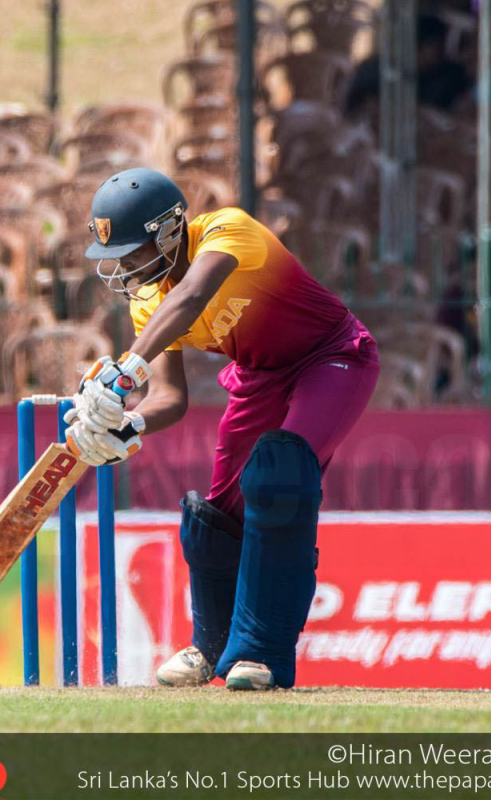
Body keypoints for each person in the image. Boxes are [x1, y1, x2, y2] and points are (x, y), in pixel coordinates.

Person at [65, 168, 379, 691]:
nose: (124, 268)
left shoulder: (228, 230)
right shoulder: (147, 300)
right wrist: (130, 424)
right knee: (214, 516)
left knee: (278, 477)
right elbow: (169, 397)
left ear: (169, 231)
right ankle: (210, 646)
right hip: (259, 376)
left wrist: (121, 375)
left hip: (331, 356)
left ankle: (260, 652)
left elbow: (192, 295)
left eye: (131, 252)